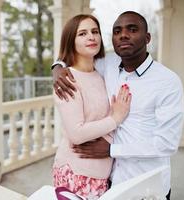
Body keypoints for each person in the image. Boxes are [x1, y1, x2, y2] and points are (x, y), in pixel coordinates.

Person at [52, 11, 184, 200]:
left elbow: (167, 144)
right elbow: (76, 53)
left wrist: (113, 149)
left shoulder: (167, 81)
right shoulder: (109, 64)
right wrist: (57, 68)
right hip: (111, 181)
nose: (123, 35)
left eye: (132, 29)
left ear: (147, 38)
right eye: (117, 31)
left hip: (147, 185)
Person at [52, 14, 132, 200]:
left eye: (95, 32)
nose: (91, 37)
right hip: (76, 174)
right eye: (82, 33)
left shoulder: (101, 74)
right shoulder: (67, 79)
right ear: (70, 41)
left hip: (102, 176)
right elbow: (76, 134)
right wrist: (115, 118)